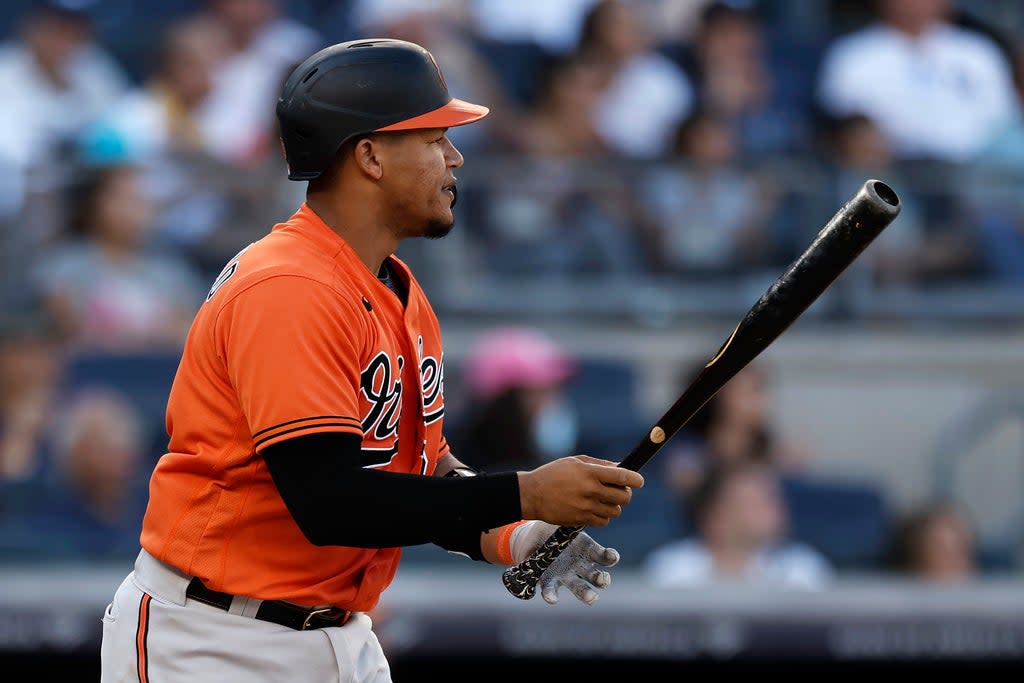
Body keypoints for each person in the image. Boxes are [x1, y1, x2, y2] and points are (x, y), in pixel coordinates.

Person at [98, 39, 644, 683]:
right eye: (435, 138)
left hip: (338, 637)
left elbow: (425, 471)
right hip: (212, 639)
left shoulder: (397, 292)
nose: (456, 156)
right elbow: (329, 500)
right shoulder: (289, 286)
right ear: (371, 156)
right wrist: (527, 491)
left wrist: (517, 532)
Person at [645, 461, 832, 590]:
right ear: (715, 516)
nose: (774, 509)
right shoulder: (671, 569)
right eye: (756, 502)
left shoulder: (802, 569)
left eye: (772, 499)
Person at [451, 325, 578, 472]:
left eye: (555, 391)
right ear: (505, 404)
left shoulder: (538, 465)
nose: (552, 403)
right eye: (540, 393)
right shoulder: (457, 468)